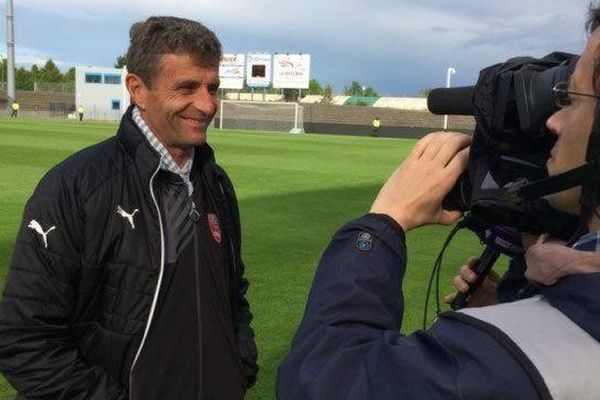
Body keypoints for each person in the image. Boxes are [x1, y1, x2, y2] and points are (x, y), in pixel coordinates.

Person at [277, 6, 600, 399]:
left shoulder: (531, 363)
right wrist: (513, 304)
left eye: (573, 98)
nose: (553, 122)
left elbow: (323, 379)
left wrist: (383, 220)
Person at [0, 16, 258, 400]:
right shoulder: (76, 186)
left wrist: (240, 365)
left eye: (212, 87)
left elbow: (232, 293)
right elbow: (26, 340)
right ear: (138, 88)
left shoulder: (216, 184)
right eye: (187, 87)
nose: (207, 105)